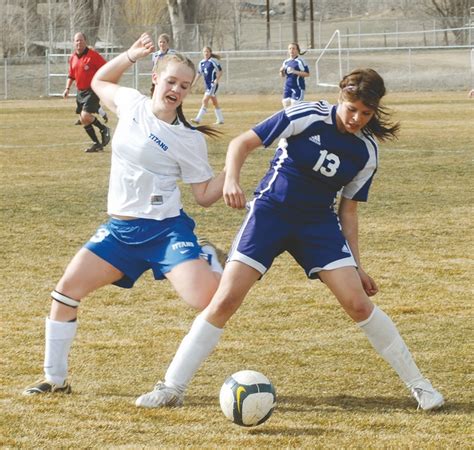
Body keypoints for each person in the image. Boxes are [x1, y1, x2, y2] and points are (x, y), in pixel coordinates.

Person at [134, 68, 445, 412]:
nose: (357, 118)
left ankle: (421, 386)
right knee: (225, 301)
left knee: (358, 304)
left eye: (366, 113)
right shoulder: (307, 115)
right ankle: (171, 387)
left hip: (317, 224)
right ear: (341, 97)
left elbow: (349, 212)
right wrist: (232, 180)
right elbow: (242, 143)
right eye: (352, 109)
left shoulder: (366, 153)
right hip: (271, 213)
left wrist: (357, 265)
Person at [22, 32, 226, 396]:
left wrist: (233, 170)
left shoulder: (188, 139)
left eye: (184, 85)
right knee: (65, 293)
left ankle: (207, 254)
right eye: (170, 81)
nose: (176, 90)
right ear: (155, 79)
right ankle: (55, 380)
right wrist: (130, 54)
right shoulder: (130, 103)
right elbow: (100, 80)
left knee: (207, 300)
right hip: (119, 232)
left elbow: (204, 195)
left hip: (166, 232)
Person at [63, 32, 111, 153]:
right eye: (76, 41)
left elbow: (106, 68)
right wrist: (67, 89)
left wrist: (102, 83)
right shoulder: (72, 58)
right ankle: (97, 144)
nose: (78, 43)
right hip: (80, 92)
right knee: (84, 120)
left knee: (85, 116)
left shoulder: (93, 56)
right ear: (74, 43)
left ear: (85, 41)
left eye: (81, 40)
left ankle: (103, 129)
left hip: (92, 90)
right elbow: (71, 75)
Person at [192, 47, 224, 125]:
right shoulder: (201, 63)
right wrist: (194, 82)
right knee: (214, 102)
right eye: (204, 51)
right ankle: (220, 119)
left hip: (213, 85)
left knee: (205, 100)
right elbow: (199, 73)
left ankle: (198, 119)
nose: (206, 53)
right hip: (208, 85)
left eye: (207, 51)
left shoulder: (213, 61)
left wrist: (217, 79)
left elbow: (220, 71)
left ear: (210, 53)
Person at [279, 43, 310, 108]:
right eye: (290, 48)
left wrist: (294, 71)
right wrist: (281, 71)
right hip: (287, 88)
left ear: (297, 50)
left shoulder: (300, 61)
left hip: (298, 88)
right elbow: (282, 76)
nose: (291, 50)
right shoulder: (286, 62)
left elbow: (307, 74)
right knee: (286, 107)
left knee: (295, 107)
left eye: (293, 48)